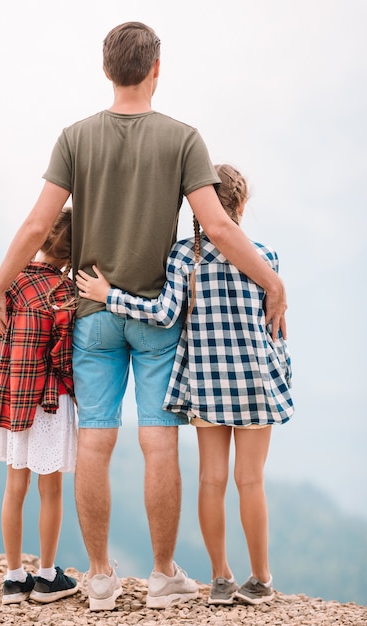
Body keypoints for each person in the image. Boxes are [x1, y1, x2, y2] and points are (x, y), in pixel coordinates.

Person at [0, 22, 288, 611]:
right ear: (156, 69)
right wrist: (272, 281)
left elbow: (33, 225)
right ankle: (160, 575)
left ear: (107, 70)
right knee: (159, 447)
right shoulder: (183, 139)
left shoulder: (75, 138)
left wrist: (0, 283)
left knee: (95, 444)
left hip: (92, 312)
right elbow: (220, 228)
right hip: (156, 314)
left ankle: (99, 578)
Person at [76, 163, 294, 606]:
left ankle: (220, 579)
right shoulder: (265, 257)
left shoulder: (182, 257)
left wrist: (108, 296)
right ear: (243, 204)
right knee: (250, 481)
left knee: (211, 481)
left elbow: (162, 315)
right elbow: (275, 331)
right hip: (254, 386)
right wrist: (282, 378)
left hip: (207, 387)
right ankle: (261, 579)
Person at [0, 207, 79, 605]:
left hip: (12, 396)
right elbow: (62, 356)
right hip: (48, 402)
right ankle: (45, 576)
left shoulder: (12, 282)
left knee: (15, 487)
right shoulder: (66, 292)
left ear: (41, 241)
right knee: (51, 488)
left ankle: (12, 578)